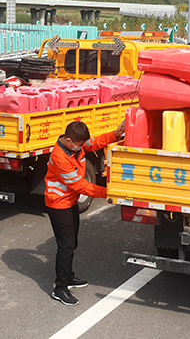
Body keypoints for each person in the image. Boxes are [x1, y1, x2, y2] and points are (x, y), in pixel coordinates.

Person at [45, 119, 125, 306]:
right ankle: (60, 287)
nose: (82, 148)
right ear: (69, 140)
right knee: (65, 246)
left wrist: (116, 133)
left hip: (70, 201)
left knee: (73, 242)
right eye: (79, 145)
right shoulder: (60, 157)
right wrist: (108, 192)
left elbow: (94, 143)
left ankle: (69, 276)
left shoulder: (76, 145)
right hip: (58, 204)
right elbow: (80, 185)